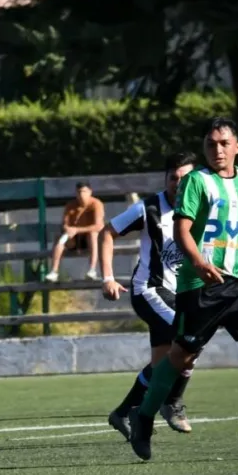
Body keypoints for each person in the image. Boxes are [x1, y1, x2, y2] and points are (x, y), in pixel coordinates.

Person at [128, 118, 238, 461]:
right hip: (200, 284)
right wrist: (199, 263)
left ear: (237, 147)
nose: (217, 149)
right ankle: (143, 417)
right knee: (181, 357)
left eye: (223, 143)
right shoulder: (196, 181)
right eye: (210, 144)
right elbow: (182, 230)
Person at [101, 152, 197, 439]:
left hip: (179, 295)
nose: (179, 184)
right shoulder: (148, 208)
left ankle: (123, 413)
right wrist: (108, 278)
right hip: (149, 290)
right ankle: (172, 402)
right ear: (165, 179)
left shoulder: (201, 207)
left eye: (185, 178)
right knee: (191, 338)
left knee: (162, 364)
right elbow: (107, 232)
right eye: (173, 178)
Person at [46, 182, 105, 282]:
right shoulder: (70, 205)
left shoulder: (96, 204)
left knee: (93, 235)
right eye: (79, 192)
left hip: (90, 240)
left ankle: (92, 270)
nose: (81, 195)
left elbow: (99, 226)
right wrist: (67, 229)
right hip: (74, 239)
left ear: (90, 192)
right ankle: (54, 272)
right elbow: (64, 224)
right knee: (59, 238)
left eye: (84, 191)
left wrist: (77, 230)